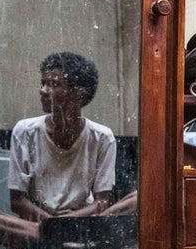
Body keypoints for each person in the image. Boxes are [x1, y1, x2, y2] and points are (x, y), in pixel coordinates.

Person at [7, 51, 118, 226]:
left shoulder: (103, 137)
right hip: (36, 227)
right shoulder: (25, 131)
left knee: (133, 200)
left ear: (78, 94)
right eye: (43, 83)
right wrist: (52, 225)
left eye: (53, 84)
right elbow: (17, 201)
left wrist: (65, 224)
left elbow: (101, 202)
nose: (43, 91)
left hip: (80, 225)